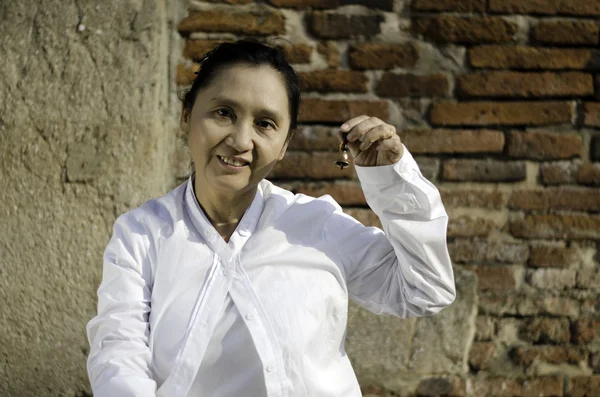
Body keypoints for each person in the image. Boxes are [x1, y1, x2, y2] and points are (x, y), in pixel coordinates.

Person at [86, 39, 456, 397]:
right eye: (223, 113)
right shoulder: (142, 234)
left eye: (265, 123)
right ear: (187, 115)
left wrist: (391, 181)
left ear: (284, 144)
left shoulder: (315, 225)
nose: (240, 139)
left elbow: (425, 290)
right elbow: (119, 351)